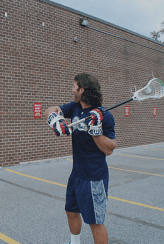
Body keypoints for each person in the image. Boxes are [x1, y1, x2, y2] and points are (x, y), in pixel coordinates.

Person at [45, 73, 116, 244]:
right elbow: (50, 109)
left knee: (95, 222)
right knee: (70, 211)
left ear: (82, 89)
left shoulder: (104, 115)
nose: (72, 89)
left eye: (74, 86)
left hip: (94, 177)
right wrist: (57, 122)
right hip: (76, 174)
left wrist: (95, 132)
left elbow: (110, 149)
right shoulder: (76, 107)